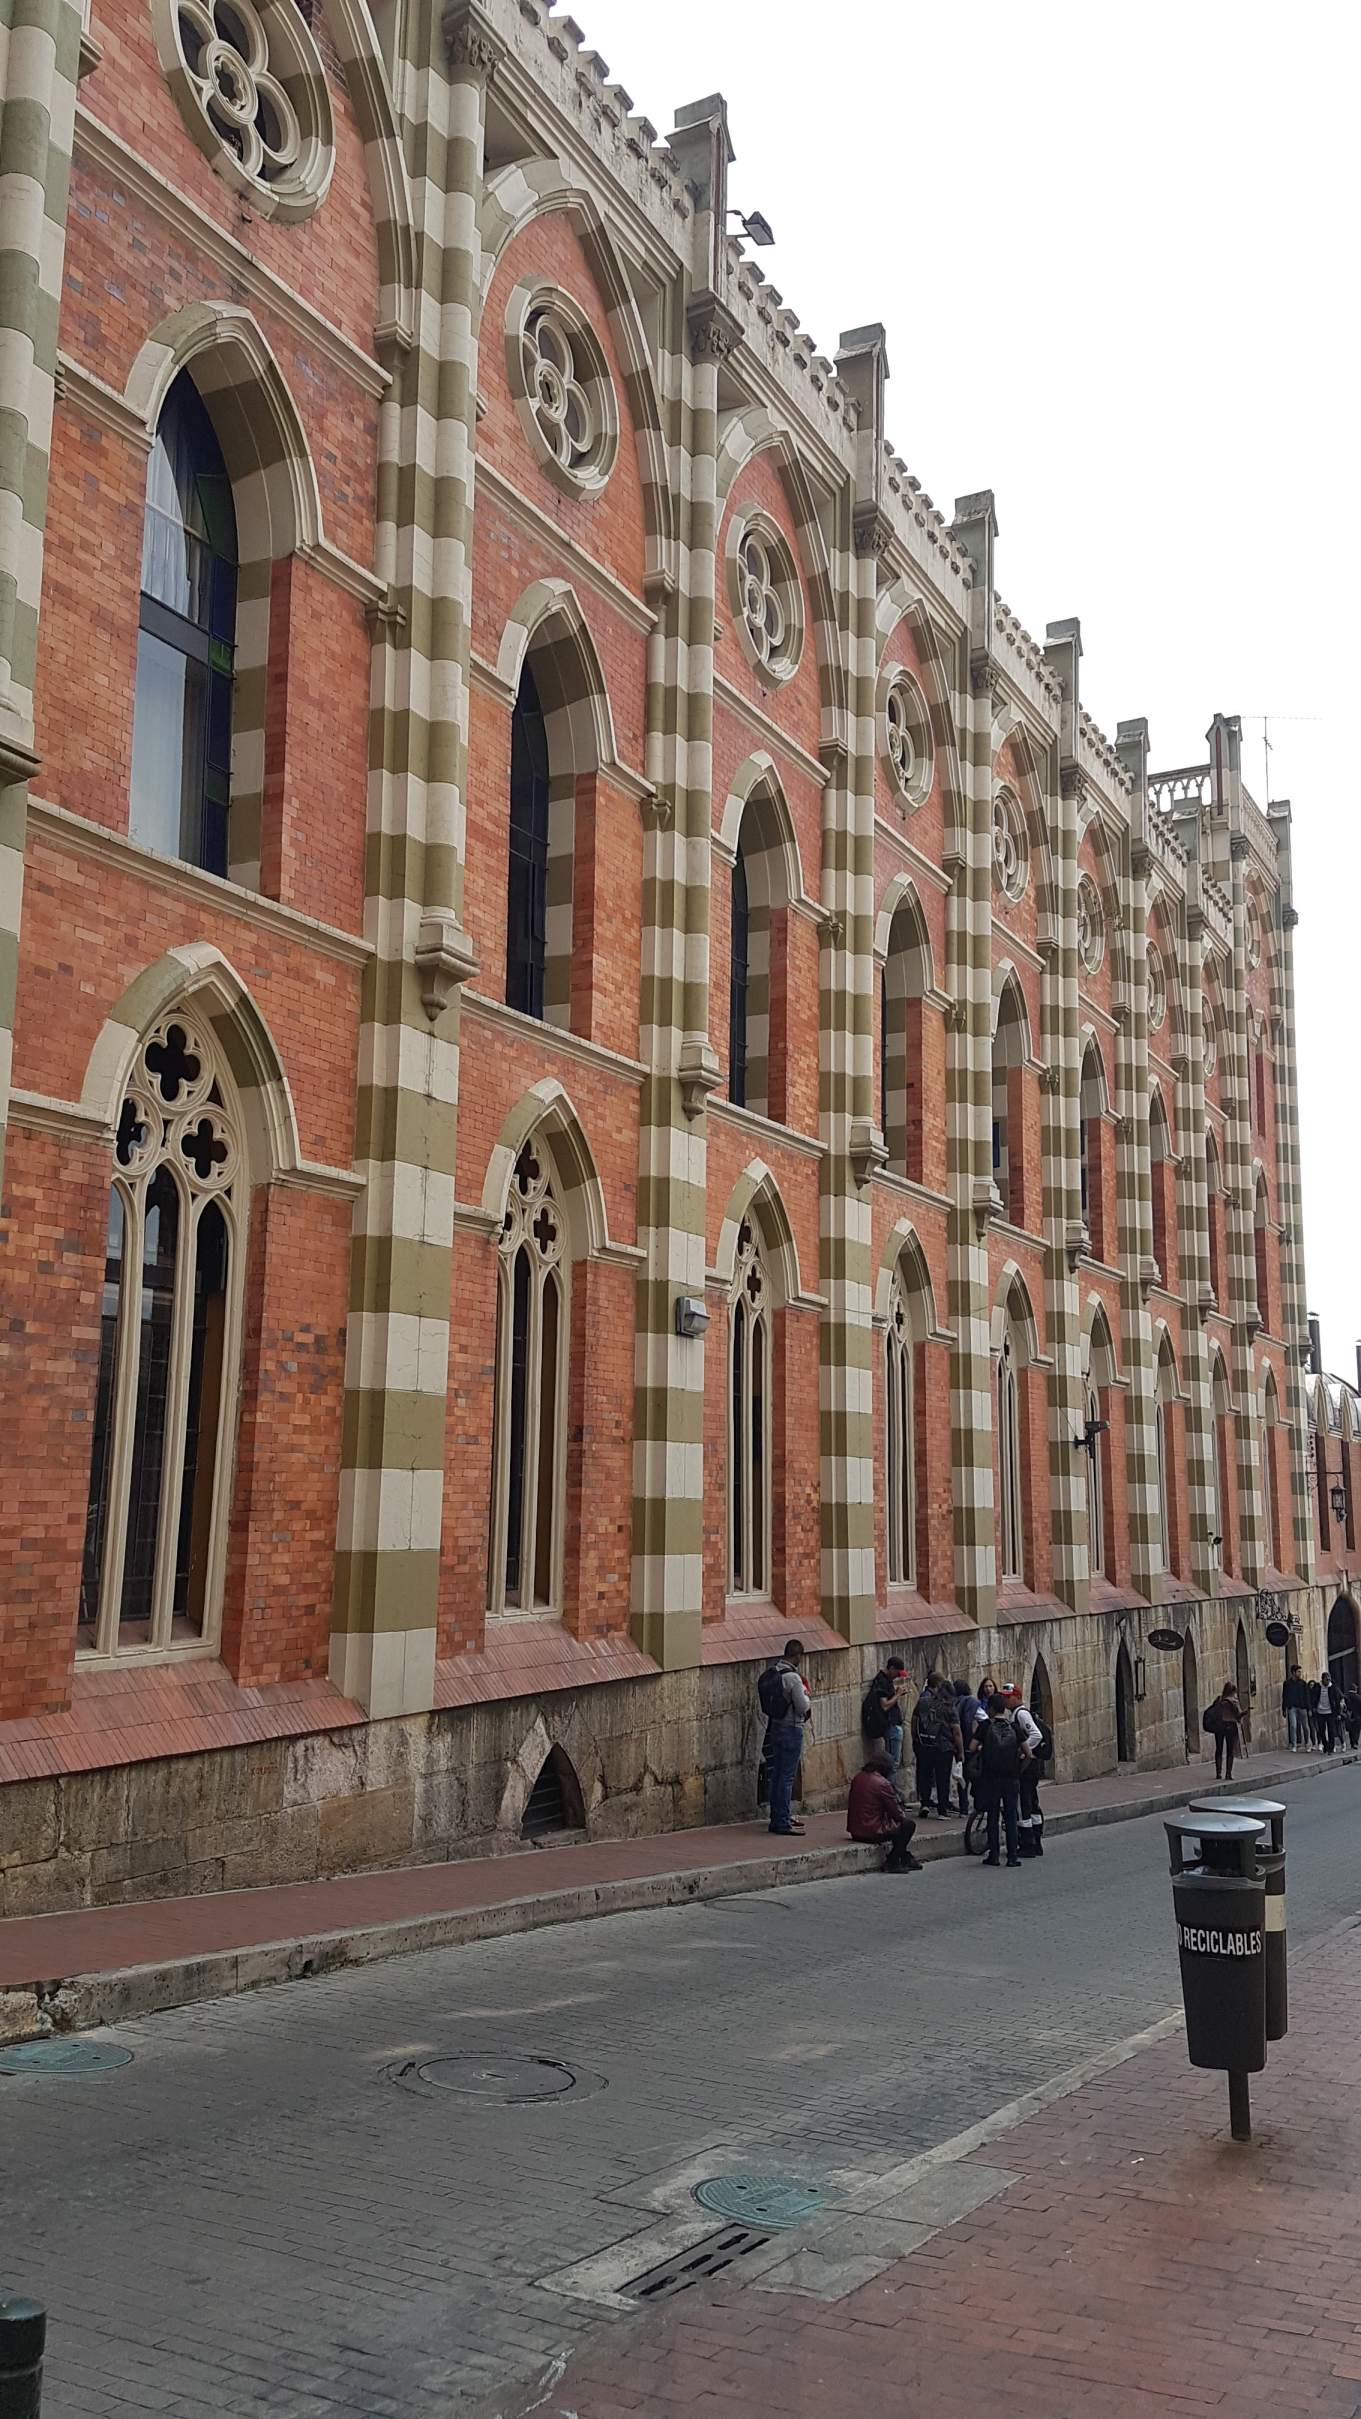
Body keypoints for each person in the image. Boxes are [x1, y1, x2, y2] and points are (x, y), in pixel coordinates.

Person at [758, 1640, 812, 1836]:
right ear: (797, 1656)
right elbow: (802, 1706)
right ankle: (782, 1820)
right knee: (787, 1776)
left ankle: (777, 1816)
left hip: (776, 1727)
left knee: (777, 1774)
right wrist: (807, 1695)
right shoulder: (793, 1678)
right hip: (791, 1728)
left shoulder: (774, 1672)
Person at [846, 1750, 923, 1872]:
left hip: (855, 1831)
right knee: (908, 1825)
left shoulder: (858, 1777)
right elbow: (898, 1815)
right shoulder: (883, 1783)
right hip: (871, 1832)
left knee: (895, 1825)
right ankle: (893, 1861)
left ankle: (905, 1856)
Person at [976, 1691, 1028, 1867]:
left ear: (990, 1709)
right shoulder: (1014, 1727)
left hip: (991, 1778)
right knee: (1011, 1816)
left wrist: (983, 1748)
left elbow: (972, 1746)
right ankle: (1012, 1856)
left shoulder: (985, 1726)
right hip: (1011, 1778)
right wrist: (1019, 1769)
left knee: (993, 1816)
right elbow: (1028, 1753)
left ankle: (994, 1855)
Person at [913, 1671, 963, 1818]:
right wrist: (960, 1751)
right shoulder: (950, 1707)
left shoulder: (923, 1702)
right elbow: (956, 1731)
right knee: (943, 1778)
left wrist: (916, 1740)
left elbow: (914, 1722)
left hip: (925, 1744)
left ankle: (925, 1803)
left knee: (925, 1774)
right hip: (944, 1747)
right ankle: (942, 1810)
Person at [861, 1658, 908, 1774]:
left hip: (893, 1726)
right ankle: (889, 1785)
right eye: (897, 1673)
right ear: (891, 1668)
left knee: (893, 1763)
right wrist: (897, 1695)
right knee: (892, 1764)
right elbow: (885, 1705)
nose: (897, 1677)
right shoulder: (882, 1681)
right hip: (890, 1727)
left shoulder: (887, 1680)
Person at [1209, 1682, 1245, 1781]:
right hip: (1231, 1726)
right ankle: (1228, 1774)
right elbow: (1238, 1715)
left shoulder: (1218, 1700)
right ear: (1233, 1692)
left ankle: (1218, 1773)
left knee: (1219, 1749)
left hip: (1219, 1726)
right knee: (1230, 1750)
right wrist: (1245, 1712)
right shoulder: (1233, 1701)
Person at [1282, 1665, 1308, 1752]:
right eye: (1298, 1672)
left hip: (1302, 1707)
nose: (1300, 1673)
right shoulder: (1287, 1684)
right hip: (1292, 1707)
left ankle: (1307, 1743)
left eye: (1300, 1672)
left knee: (1305, 1726)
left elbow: (1307, 1696)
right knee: (1293, 1726)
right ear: (1293, 1672)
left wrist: (1308, 1708)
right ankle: (1294, 1745)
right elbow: (1284, 1696)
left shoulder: (1303, 1683)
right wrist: (1284, 1708)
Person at [1316, 1673, 1335, 1755]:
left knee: (1331, 1730)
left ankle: (1331, 1748)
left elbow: (1337, 1697)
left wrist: (1337, 1711)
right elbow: (1313, 1696)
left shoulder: (1332, 1687)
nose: (1328, 1681)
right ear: (1322, 1679)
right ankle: (1325, 1745)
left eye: (1329, 1679)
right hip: (1320, 1711)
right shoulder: (1318, 1687)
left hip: (1330, 1712)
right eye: (1326, 1679)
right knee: (1321, 1731)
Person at [1305, 1674, 1322, 1750]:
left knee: (1318, 1728)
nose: (1311, 1686)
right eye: (1310, 1685)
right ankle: (1314, 1743)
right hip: (1311, 1711)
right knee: (1312, 1728)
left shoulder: (1317, 1693)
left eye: (1313, 1685)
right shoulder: (1307, 1694)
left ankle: (1319, 1743)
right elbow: (1307, 1702)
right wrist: (1309, 1710)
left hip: (1317, 1711)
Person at [1345, 1684, 1361, 1751]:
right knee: (1356, 1731)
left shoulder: (1346, 1697)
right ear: (1355, 1690)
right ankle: (1355, 1743)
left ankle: (1352, 1743)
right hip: (1357, 1716)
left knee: (1350, 1731)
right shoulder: (1358, 1697)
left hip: (1349, 1716)